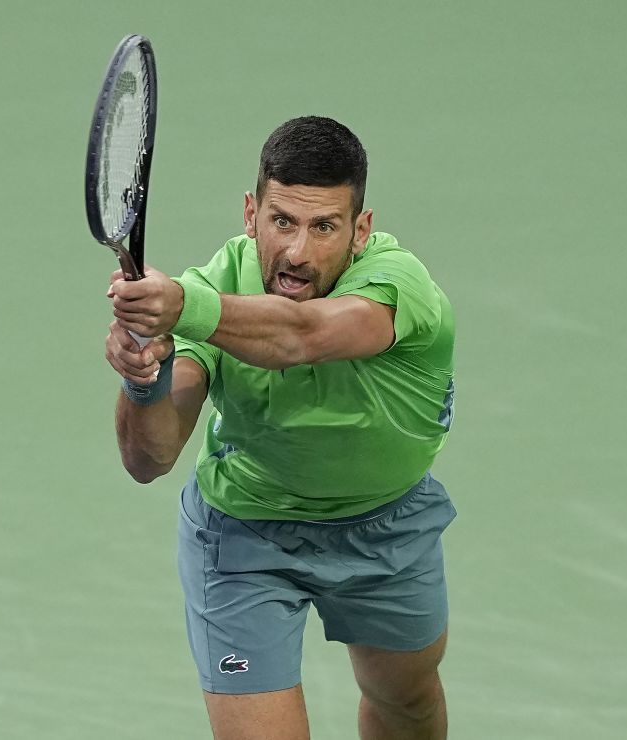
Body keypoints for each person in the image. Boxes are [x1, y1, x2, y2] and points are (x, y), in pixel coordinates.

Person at [103, 116, 456, 740]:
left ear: (360, 230)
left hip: (387, 526)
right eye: (282, 221)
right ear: (251, 214)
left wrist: (184, 308)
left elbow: (306, 334)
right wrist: (143, 379)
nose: (297, 252)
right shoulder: (218, 285)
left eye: (324, 227)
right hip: (244, 537)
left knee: (406, 702)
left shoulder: (399, 284)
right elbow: (149, 457)